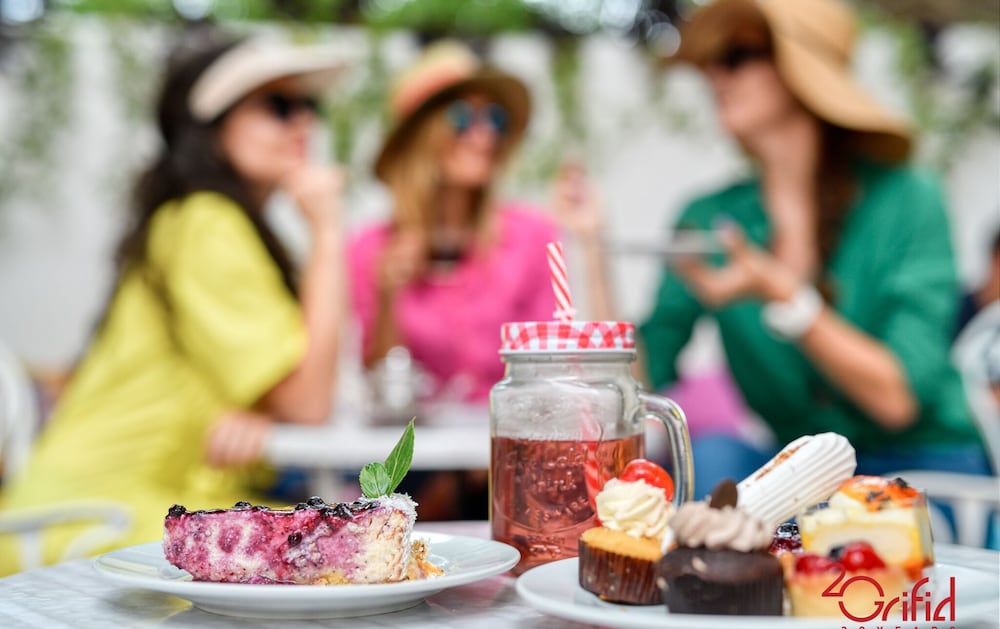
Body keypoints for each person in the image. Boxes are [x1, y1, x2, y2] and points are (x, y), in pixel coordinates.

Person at [0, 34, 347, 574]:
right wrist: (327, 231)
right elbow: (309, 402)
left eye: (310, 106)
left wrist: (261, 406)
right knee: (336, 554)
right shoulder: (204, 224)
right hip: (92, 517)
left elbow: (291, 397)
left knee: (340, 548)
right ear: (213, 126)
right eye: (279, 105)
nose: (303, 121)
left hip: (131, 508)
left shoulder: (195, 220)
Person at [639, 0, 989, 499]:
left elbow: (897, 400)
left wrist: (781, 292)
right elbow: (643, 378)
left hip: (920, 467)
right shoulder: (709, 218)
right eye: (711, 62)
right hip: (801, 480)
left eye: (737, 55)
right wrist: (589, 244)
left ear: (799, 71)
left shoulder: (907, 197)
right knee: (712, 458)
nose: (716, 75)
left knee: (853, 529)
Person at [347, 41, 607, 519]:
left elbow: (549, 367)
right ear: (420, 136)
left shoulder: (532, 236)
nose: (485, 134)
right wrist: (387, 296)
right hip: (420, 465)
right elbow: (381, 382)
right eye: (463, 117)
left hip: (510, 457)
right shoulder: (370, 248)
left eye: (496, 120)